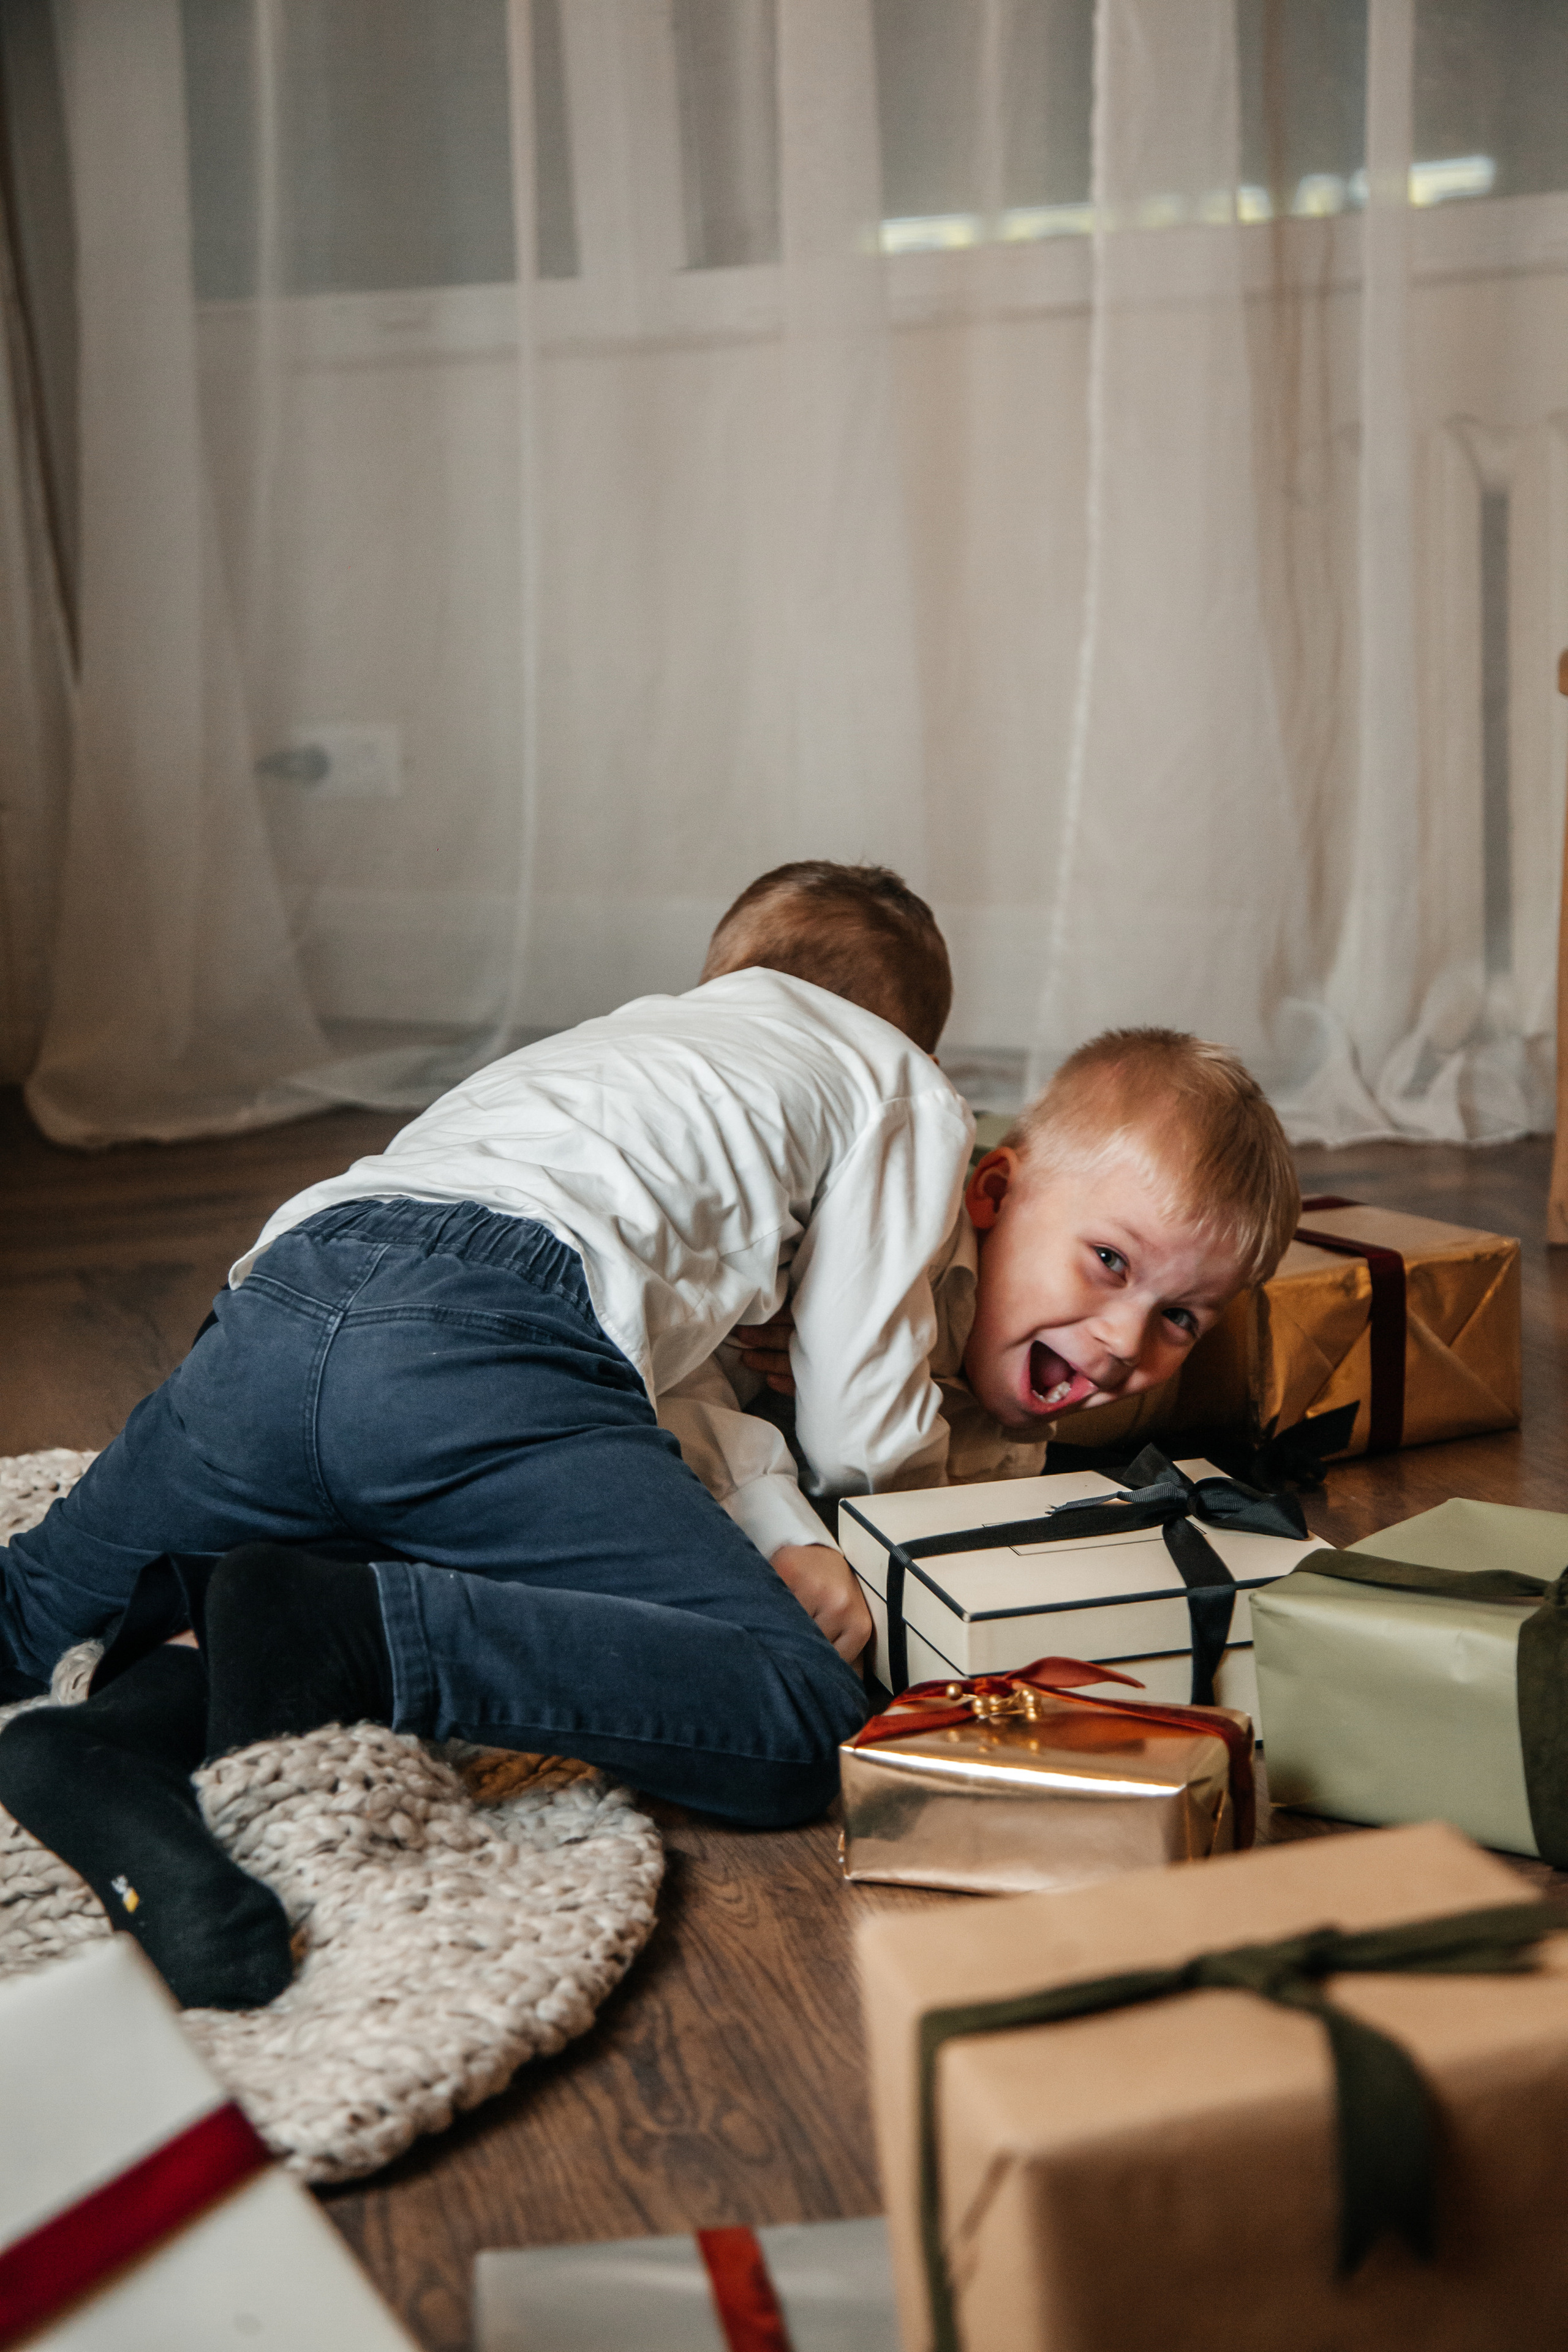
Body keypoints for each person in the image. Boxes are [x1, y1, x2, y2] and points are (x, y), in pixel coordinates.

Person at [0, 864, 1297, 2012]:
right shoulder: (903, 1087)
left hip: (275, 1310)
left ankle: (110, 1740)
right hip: (488, 1332)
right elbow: (858, 1435)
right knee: (796, 1710)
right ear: (925, 1046)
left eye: (1177, 1319)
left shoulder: (623, 1055)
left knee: (33, 1613)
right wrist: (901, 1513)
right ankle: (345, 1637)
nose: (1127, 1341)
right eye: (1112, 1265)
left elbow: (674, 1413)